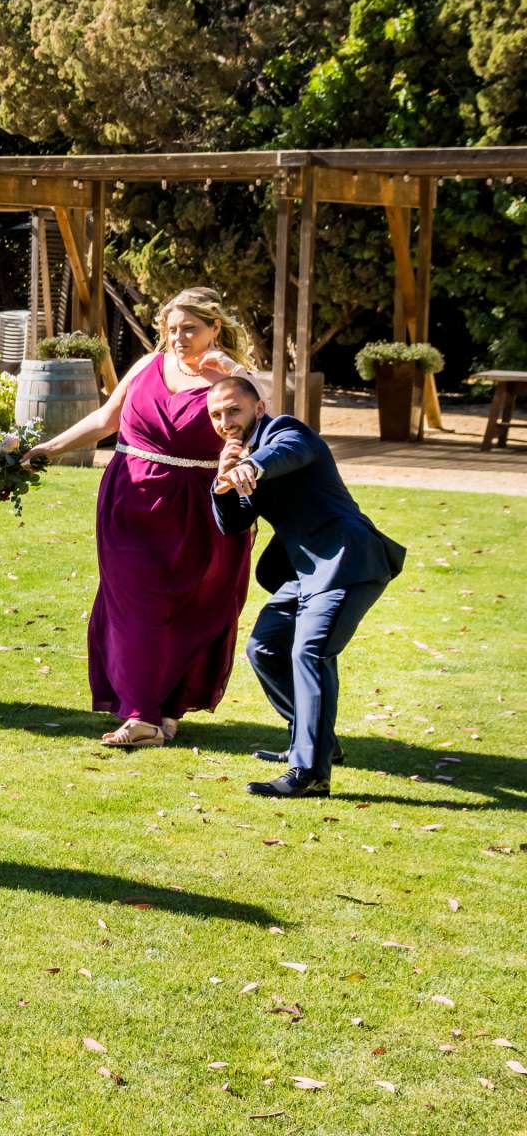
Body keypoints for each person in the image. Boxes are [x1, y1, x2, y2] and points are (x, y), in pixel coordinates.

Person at [32, 288, 261, 748]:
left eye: (190, 329)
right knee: (136, 605)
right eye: (171, 329)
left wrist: (234, 375)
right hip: (130, 504)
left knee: (191, 609)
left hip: (199, 509)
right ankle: (140, 716)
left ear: (214, 328)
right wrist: (46, 449)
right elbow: (103, 420)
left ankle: (166, 710)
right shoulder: (145, 367)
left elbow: (265, 429)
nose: (178, 338)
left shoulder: (234, 381)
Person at [208, 375, 406, 798]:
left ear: (258, 409)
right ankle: (318, 743)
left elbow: (286, 453)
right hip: (304, 573)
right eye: (216, 415)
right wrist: (222, 480)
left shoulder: (285, 432)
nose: (225, 421)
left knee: (311, 651)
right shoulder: (240, 456)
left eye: (233, 410)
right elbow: (234, 524)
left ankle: (309, 773)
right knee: (265, 648)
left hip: (346, 562)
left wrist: (251, 465)